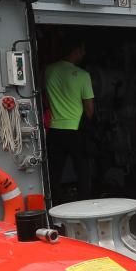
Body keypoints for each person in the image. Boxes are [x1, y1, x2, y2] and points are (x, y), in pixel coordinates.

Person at [45, 39, 96, 200]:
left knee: (54, 172)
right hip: (76, 130)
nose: (84, 54)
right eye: (82, 50)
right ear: (76, 51)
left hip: (54, 129)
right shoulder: (83, 75)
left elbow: (44, 98)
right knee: (83, 171)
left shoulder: (48, 70)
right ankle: (84, 205)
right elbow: (89, 109)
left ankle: (55, 205)